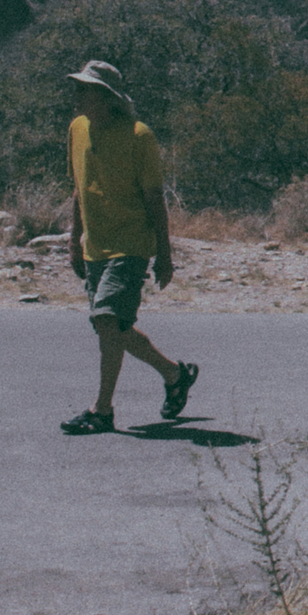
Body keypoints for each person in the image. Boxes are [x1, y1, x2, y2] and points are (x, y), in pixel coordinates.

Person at [59, 60, 199, 436]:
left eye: (84, 89)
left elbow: (155, 199)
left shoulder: (139, 136)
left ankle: (101, 411)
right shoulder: (77, 129)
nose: (76, 96)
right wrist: (74, 241)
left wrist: (165, 256)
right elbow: (79, 188)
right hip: (96, 246)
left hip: (131, 245)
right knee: (113, 327)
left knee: (106, 320)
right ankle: (174, 374)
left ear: (106, 97)